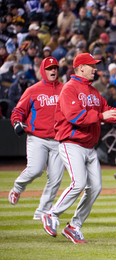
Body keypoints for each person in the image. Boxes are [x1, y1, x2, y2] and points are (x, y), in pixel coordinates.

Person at [40, 53, 116, 244]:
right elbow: (74, 116)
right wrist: (101, 116)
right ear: (80, 68)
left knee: (96, 188)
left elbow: (108, 112)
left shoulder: (93, 92)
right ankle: (51, 214)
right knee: (79, 183)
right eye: (91, 65)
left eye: (95, 65)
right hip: (71, 143)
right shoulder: (69, 89)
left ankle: (74, 226)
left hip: (89, 146)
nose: (95, 68)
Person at [8, 57, 64, 220]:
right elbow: (18, 111)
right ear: (43, 71)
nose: (53, 71)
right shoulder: (33, 90)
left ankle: (41, 213)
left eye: (55, 68)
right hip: (37, 138)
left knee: (55, 179)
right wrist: (17, 123)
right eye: (49, 68)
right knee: (35, 169)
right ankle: (18, 187)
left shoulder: (65, 89)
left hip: (59, 140)